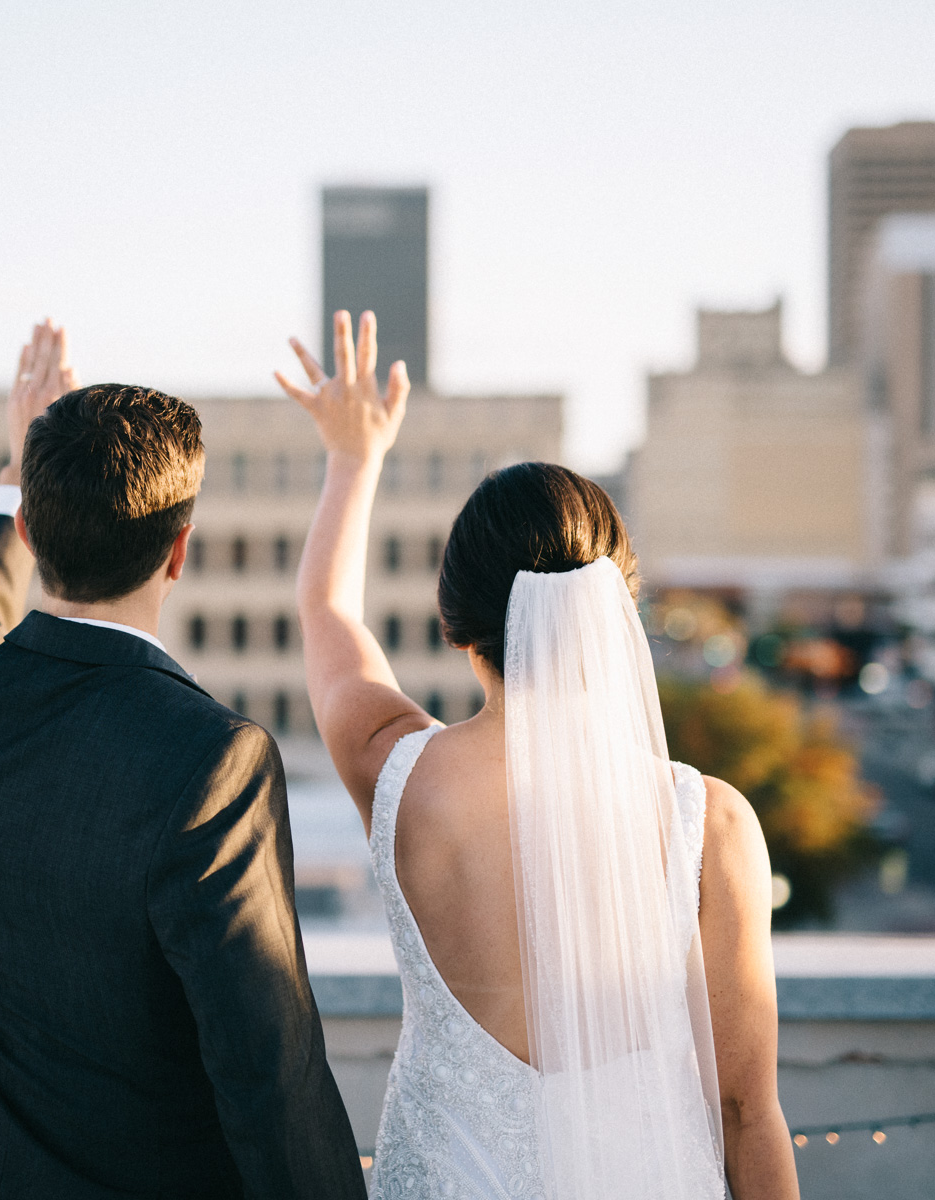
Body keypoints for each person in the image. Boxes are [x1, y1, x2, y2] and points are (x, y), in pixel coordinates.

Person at [276, 310, 800, 1199]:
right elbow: (748, 1111)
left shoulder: (391, 769)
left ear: (454, 624)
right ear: (614, 612)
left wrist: (353, 455)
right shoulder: (708, 822)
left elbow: (328, 615)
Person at [0, 321, 366, 1199]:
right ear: (180, 549)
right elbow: (268, 1069)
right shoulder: (213, 759)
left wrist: (14, 465)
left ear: (29, 526)